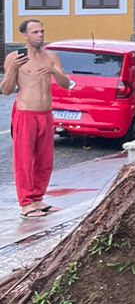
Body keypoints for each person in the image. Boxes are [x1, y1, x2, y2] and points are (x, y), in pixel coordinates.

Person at [2, 18, 76, 216]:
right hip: (26, 113)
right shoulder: (15, 58)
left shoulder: (51, 57)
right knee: (25, 159)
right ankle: (26, 203)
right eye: (35, 32)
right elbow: (6, 90)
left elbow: (66, 84)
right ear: (25, 35)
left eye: (42, 31)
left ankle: (38, 198)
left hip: (46, 113)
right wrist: (12, 70)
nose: (40, 35)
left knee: (45, 160)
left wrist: (53, 70)